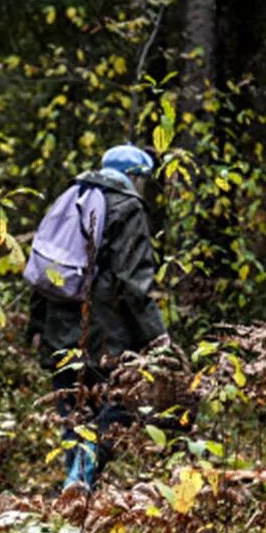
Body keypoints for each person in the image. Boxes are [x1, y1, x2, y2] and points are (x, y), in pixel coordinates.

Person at [24, 144, 170, 498]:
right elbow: (133, 282)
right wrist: (158, 336)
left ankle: (73, 492)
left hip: (60, 330)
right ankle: (80, 483)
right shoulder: (128, 207)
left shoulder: (71, 196)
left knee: (74, 414)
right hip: (106, 336)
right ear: (135, 177)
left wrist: (36, 325)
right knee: (119, 408)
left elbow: (47, 266)